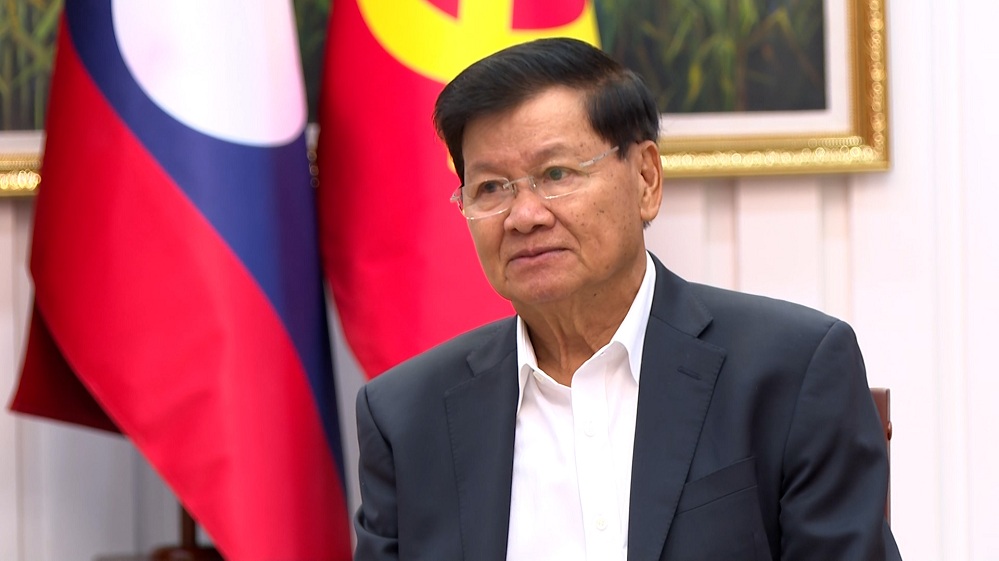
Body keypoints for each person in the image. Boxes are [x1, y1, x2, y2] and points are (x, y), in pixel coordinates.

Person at [352, 37, 902, 561]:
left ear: (645, 179)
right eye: (491, 188)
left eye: (556, 174)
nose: (524, 216)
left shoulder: (791, 372)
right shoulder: (407, 418)